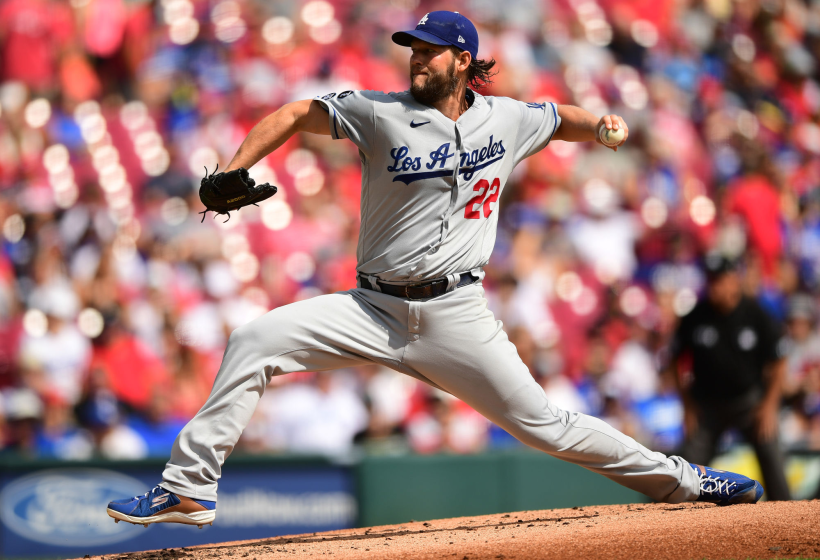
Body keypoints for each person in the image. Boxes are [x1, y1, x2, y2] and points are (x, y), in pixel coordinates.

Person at [107, 12, 763, 528]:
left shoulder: (505, 119)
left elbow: (560, 117)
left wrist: (604, 129)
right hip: (371, 309)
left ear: (464, 61)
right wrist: (234, 168)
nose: (416, 58)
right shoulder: (379, 112)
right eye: (412, 49)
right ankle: (188, 490)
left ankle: (688, 480)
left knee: (546, 425)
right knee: (254, 340)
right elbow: (293, 113)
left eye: (428, 49)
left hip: (456, 315)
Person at [670, 253, 791, 501]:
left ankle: (787, 513)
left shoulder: (756, 314)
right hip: (707, 405)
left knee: (772, 455)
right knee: (686, 465)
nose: (715, 286)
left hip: (750, 403)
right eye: (711, 280)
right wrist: (687, 405)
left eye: (721, 279)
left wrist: (769, 406)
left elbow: (779, 360)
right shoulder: (695, 316)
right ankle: (670, 517)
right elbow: (674, 360)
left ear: (735, 280)